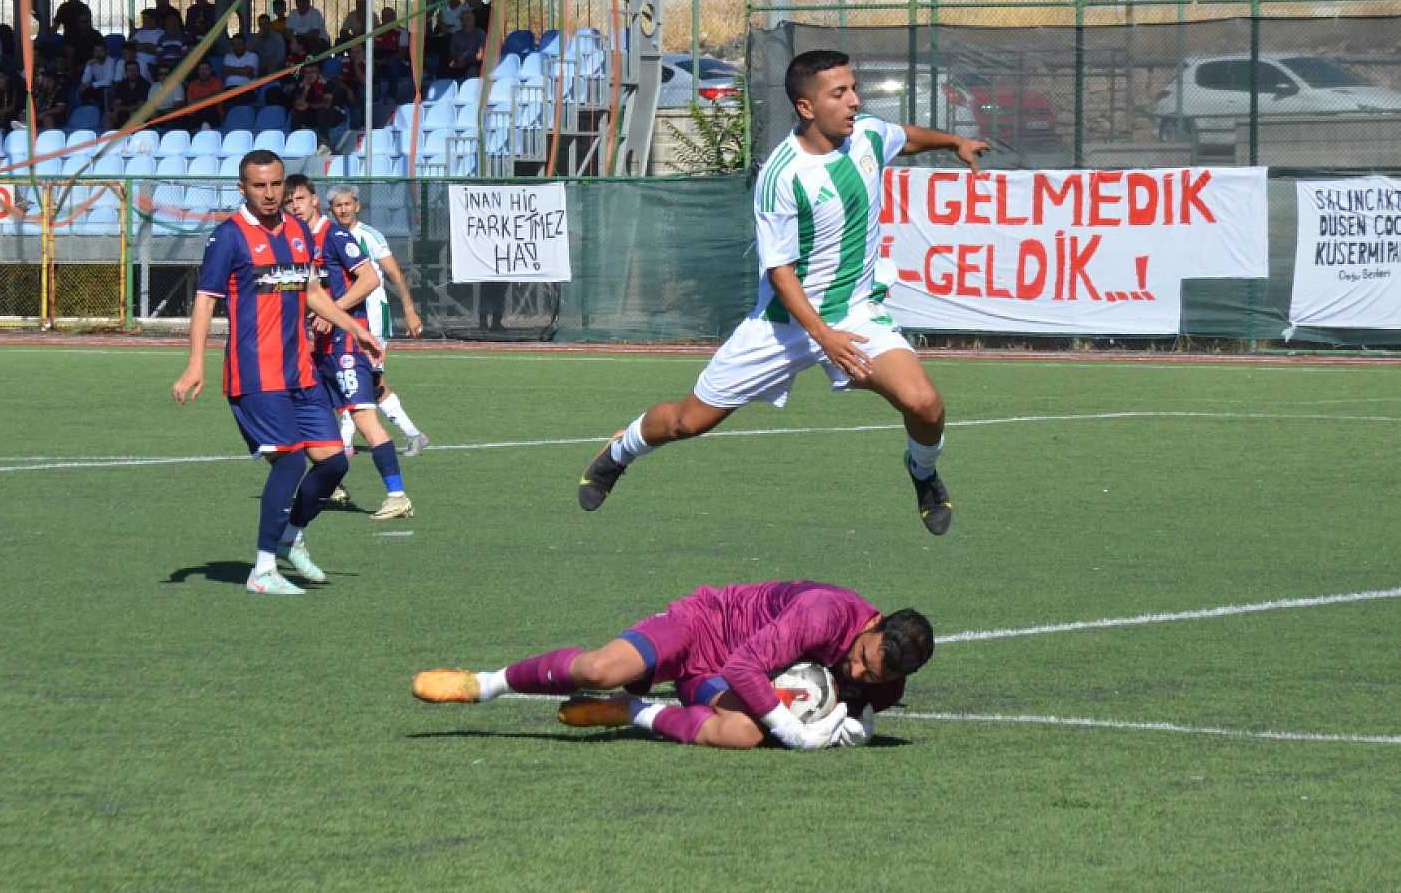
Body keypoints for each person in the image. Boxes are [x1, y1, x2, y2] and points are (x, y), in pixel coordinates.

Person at [577, 50, 990, 535]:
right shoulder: (782, 176)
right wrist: (823, 337)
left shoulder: (867, 135)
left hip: (853, 314)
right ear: (806, 106)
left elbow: (905, 138)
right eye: (840, 93)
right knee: (687, 422)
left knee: (925, 404)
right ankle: (619, 451)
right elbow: (781, 274)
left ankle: (922, 473)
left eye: (854, 88)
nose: (855, 100)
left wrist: (954, 142)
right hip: (783, 326)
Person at [172, 149, 386, 596]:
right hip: (255, 375)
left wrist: (355, 329)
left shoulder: (297, 233)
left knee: (334, 463)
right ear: (243, 189)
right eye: (259, 186)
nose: (270, 194)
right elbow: (205, 301)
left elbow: (311, 291)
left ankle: (289, 539)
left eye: (276, 185)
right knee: (289, 461)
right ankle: (262, 571)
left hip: (301, 373)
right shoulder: (228, 238)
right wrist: (196, 362)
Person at [413, 581, 933, 751]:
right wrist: (794, 733)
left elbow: (864, 707)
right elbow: (746, 665)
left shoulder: (887, 674)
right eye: (863, 661)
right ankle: (485, 684)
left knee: (744, 735)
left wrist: (858, 727)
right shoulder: (826, 614)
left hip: (714, 676)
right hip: (703, 628)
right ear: (873, 624)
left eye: (878, 676)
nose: (861, 675)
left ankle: (631, 712)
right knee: (598, 669)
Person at [287, 178, 414, 521]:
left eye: (300, 199)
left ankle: (397, 495)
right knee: (314, 422)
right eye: (289, 201)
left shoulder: (335, 235)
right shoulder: (296, 240)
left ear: (314, 200)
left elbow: (370, 279)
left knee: (364, 420)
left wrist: (336, 313)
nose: (294, 206)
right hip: (316, 347)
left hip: (345, 345)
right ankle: (333, 486)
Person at [327, 184, 429, 455]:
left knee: (358, 377)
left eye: (348, 204)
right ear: (331, 210)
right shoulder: (329, 237)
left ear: (357, 206)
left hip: (371, 319)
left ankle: (345, 442)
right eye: (338, 206)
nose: (344, 209)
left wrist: (409, 310)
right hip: (346, 319)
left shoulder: (369, 236)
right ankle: (413, 434)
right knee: (367, 381)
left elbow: (396, 275)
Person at [441, 8, 485, 82]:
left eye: (467, 19)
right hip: (458, 65)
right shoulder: (456, 35)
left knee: (472, 70)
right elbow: (452, 52)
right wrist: (453, 61)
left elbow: (480, 56)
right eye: (462, 20)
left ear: (473, 21)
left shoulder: (480, 34)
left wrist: (465, 63)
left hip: (473, 64)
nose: (465, 22)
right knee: (444, 70)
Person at [79, 40, 121, 112]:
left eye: (101, 51)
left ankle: (103, 116)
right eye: (96, 51)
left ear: (106, 52)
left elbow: (109, 82)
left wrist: (90, 84)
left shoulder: (110, 61)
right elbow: (85, 81)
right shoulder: (91, 62)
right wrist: (89, 66)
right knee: (84, 90)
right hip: (97, 87)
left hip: (108, 89)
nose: (99, 54)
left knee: (103, 92)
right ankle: (85, 113)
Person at [105, 60, 150, 128]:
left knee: (133, 114)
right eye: (130, 70)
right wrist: (116, 111)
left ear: (139, 71)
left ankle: (132, 137)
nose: (133, 72)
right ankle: (107, 137)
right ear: (125, 72)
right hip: (123, 113)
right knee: (109, 116)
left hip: (139, 114)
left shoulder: (145, 84)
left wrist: (121, 108)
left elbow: (140, 106)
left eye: (135, 70)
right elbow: (117, 102)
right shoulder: (121, 84)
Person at [184, 59, 226, 126]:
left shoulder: (217, 82)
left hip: (214, 115)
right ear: (198, 71)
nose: (203, 72)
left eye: (206, 69)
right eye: (201, 70)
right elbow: (190, 103)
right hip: (197, 115)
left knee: (207, 107)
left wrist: (196, 102)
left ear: (211, 70)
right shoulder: (193, 84)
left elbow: (213, 99)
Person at [131, 9, 163, 79]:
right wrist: (147, 45)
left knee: (142, 65)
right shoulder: (140, 33)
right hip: (135, 60)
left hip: (150, 63)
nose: (143, 21)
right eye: (143, 19)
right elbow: (132, 47)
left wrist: (140, 47)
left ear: (153, 20)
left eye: (145, 19)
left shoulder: (161, 33)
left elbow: (156, 51)